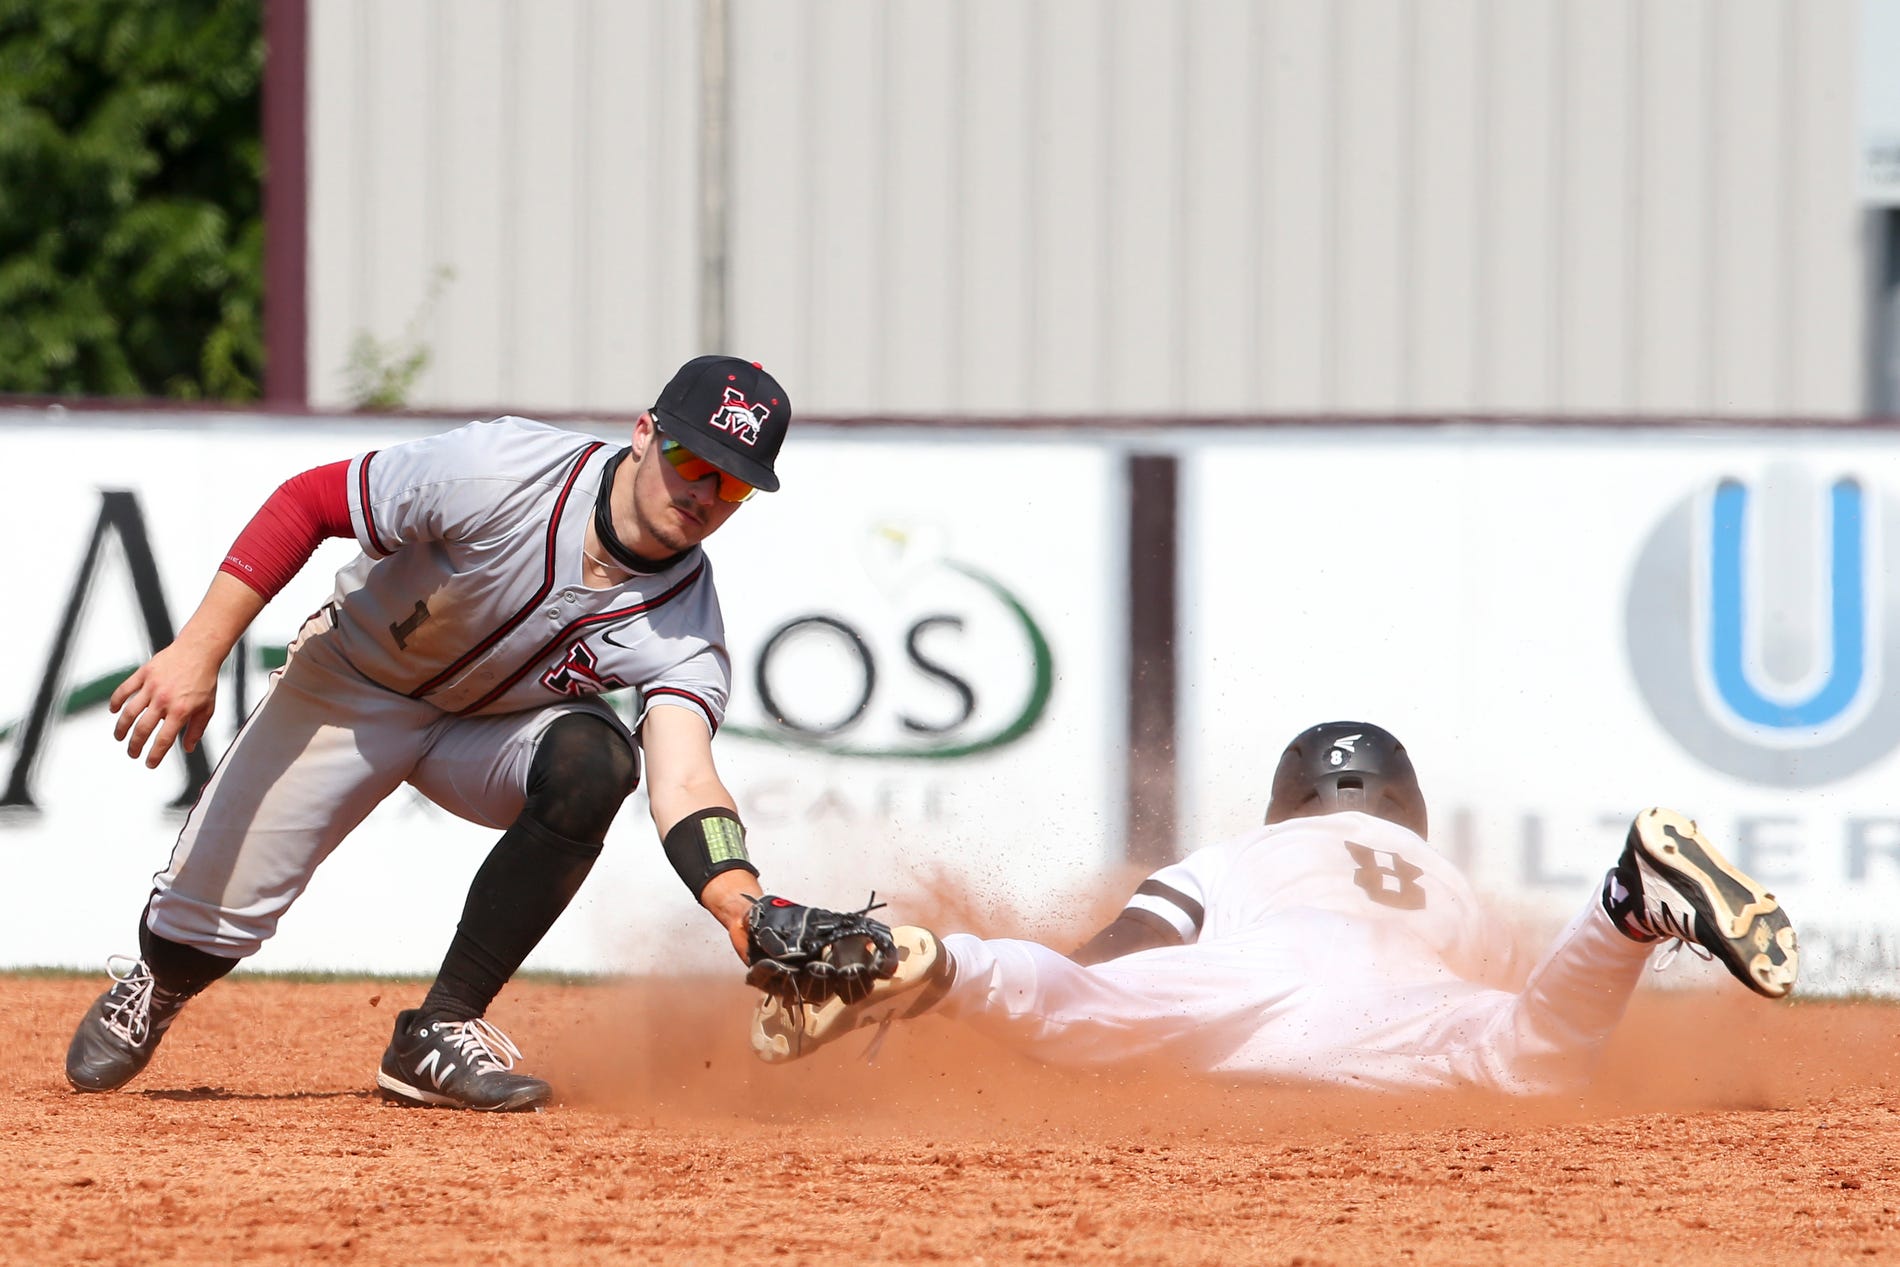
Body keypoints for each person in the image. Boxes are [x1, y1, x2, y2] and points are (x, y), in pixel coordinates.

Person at [67, 354, 794, 1111]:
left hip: (490, 733)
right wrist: (198, 649)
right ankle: (161, 978)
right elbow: (308, 501)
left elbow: (684, 778)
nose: (704, 491)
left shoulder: (686, 624)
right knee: (198, 932)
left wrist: (742, 905)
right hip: (354, 681)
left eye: (733, 480)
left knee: (596, 760)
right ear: (644, 433)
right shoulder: (504, 467)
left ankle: (442, 1027)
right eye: (690, 459)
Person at [750, 721, 1801, 1095]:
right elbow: (1506, 1002)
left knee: (1078, 1007)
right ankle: (1625, 905)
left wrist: (1032, 1009)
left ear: (1286, 803)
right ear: (1408, 813)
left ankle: (936, 963)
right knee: (1531, 1056)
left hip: (1245, 990)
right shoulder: (1453, 885)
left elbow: (1116, 953)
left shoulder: (1243, 849)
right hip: (1411, 1009)